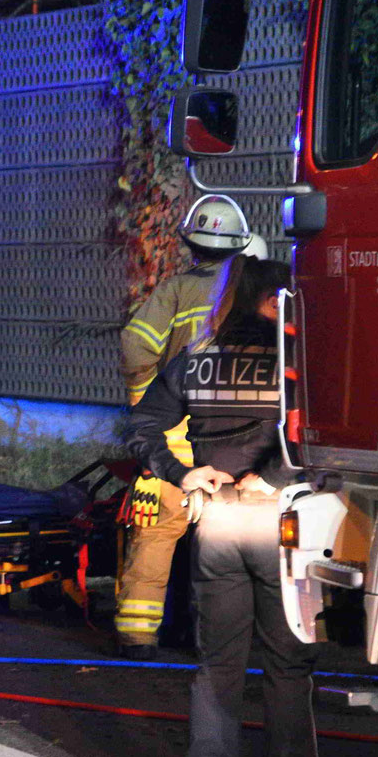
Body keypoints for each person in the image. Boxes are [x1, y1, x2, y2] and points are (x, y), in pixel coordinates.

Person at [128, 256, 324, 757]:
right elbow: (314, 429)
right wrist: (277, 478)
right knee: (289, 670)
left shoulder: (196, 355)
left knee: (217, 670)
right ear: (271, 302)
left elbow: (139, 425)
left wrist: (181, 472)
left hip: (215, 524)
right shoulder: (294, 359)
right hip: (280, 527)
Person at [114, 193, 265, 659]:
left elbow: (136, 348)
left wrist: (148, 399)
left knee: (159, 533)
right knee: (229, 545)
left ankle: (138, 634)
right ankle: (218, 639)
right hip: (244, 445)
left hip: (174, 442)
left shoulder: (175, 291)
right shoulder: (259, 294)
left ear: (190, 244)